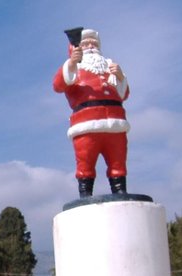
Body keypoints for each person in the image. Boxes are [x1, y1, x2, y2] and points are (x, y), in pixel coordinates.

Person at [53, 28, 130, 198]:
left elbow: (124, 94)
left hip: (115, 122)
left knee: (118, 161)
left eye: (93, 43)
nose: (90, 46)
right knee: (85, 163)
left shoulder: (110, 67)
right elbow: (58, 85)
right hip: (86, 123)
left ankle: (120, 191)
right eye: (86, 43)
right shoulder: (75, 69)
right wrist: (71, 64)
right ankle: (85, 194)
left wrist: (120, 78)